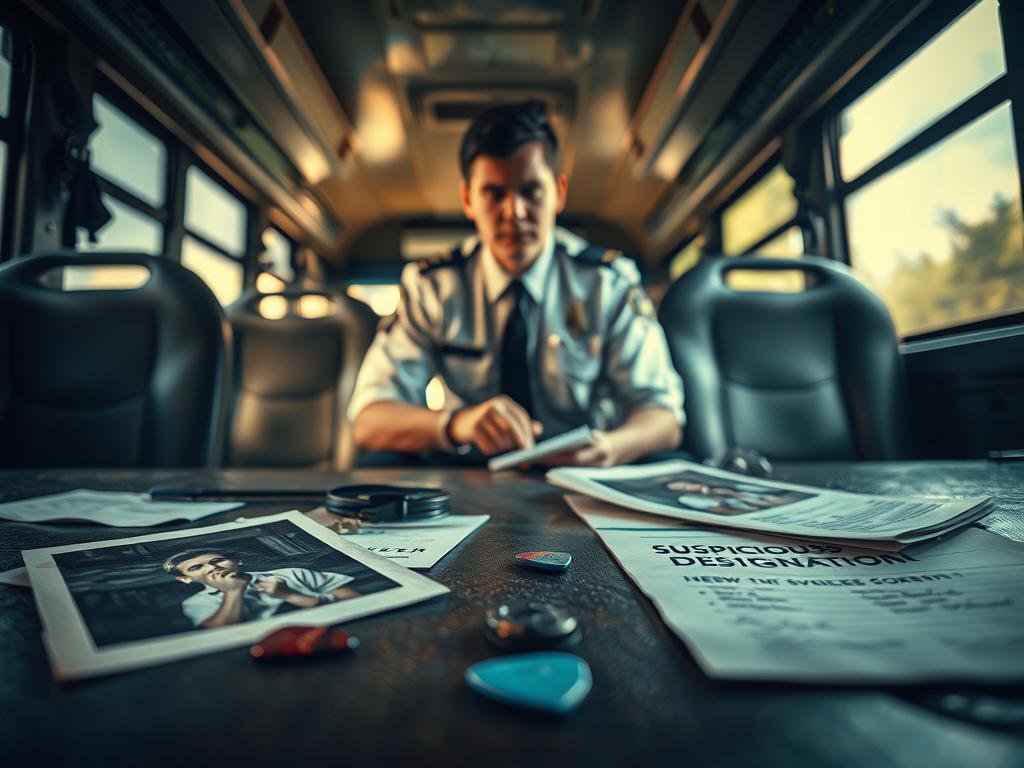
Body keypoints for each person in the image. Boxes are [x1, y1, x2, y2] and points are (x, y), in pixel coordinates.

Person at [350, 100, 684, 466]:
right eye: (494, 194)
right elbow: (368, 420)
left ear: (558, 192)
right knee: (376, 463)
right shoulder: (432, 286)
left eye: (532, 191)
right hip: (469, 469)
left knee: (666, 458)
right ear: (467, 199)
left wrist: (611, 447)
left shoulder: (607, 282)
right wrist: (457, 424)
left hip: (582, 469)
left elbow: (664, 416)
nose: (515, 213)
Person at [162, 549, 359, 629]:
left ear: (237, 560)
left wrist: (289, 594)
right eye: (196, 568)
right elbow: (219, 633)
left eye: (218, 560)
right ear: (185, 579)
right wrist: (233, 592)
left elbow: (355, 600)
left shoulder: (292, 573)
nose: (213, 568)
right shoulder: (196, 603)